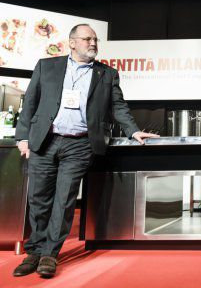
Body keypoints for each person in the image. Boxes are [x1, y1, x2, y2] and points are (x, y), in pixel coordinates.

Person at [13, 24, 158, 278]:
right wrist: (22, 136)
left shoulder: (107, 74)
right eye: (87, 39)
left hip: (79, 144)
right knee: (38, 198)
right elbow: (30, 103)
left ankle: (49, 254)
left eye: (95, 39)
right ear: (72, 43)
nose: (93, 43)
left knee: (64, 199)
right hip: (44, 141)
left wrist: (133, 131)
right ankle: (33, 251)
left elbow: (118, 107)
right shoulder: (47, 66)